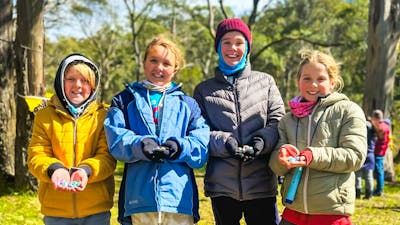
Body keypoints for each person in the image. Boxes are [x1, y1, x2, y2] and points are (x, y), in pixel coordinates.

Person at [103, 36, 210, 225]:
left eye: (166, 63)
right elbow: (115, 139)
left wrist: (179, 146)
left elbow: (201, 147)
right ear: (144, 62)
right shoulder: (124, 100)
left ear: (175, 69)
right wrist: (140, 145)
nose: (159, 68)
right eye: (153, 60)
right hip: (139, 200)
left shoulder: (188, 105)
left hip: (178, 201)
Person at [193, 17, 285, 225]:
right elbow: (198, 130)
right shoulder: (203, 90)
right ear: (218, 47)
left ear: (247, 47)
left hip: (261, 183)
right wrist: (225, 143)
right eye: (226, 42)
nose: (232, 48)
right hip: (222, 186)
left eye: (239, 42)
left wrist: (261, 142)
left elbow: (277, 121)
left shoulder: (266, 82)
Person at [269, 49, 367, 225]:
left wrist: (311, 156)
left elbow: (355, 156)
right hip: (293, 213)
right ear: (298, 81)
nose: (313, 84)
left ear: (332, 82)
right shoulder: (287, 120)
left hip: (331, 214)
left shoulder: (349, 111)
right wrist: (281, 158)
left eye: (320, 79)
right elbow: (276, 167)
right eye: (307, 78)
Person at [28, 53, 116, 225]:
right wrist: (55, 169)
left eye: (84, 80)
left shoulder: (104, 116)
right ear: (61, 81)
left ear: (93, 85)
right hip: (56, 211)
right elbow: (36, 156)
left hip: (96, 210)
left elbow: (107, 158)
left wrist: (85, 171)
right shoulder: (45, 116)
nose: (78, 85)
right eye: (71, 79)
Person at [371, 109, 391, 196]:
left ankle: (379, 190)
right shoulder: (385, 125)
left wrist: (373, 124)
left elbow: (380, 134)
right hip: (381, 151)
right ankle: (379, 189)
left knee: (379, 170)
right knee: (379, 170)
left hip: (378, 151)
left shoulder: (381, 126)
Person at [355, 117, 376, 199]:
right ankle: (369, 194)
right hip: (370, 155)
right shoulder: (374, 130)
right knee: (369, 177)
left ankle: (357, 194)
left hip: (361, 153)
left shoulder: (360, 130)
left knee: (358, 175)